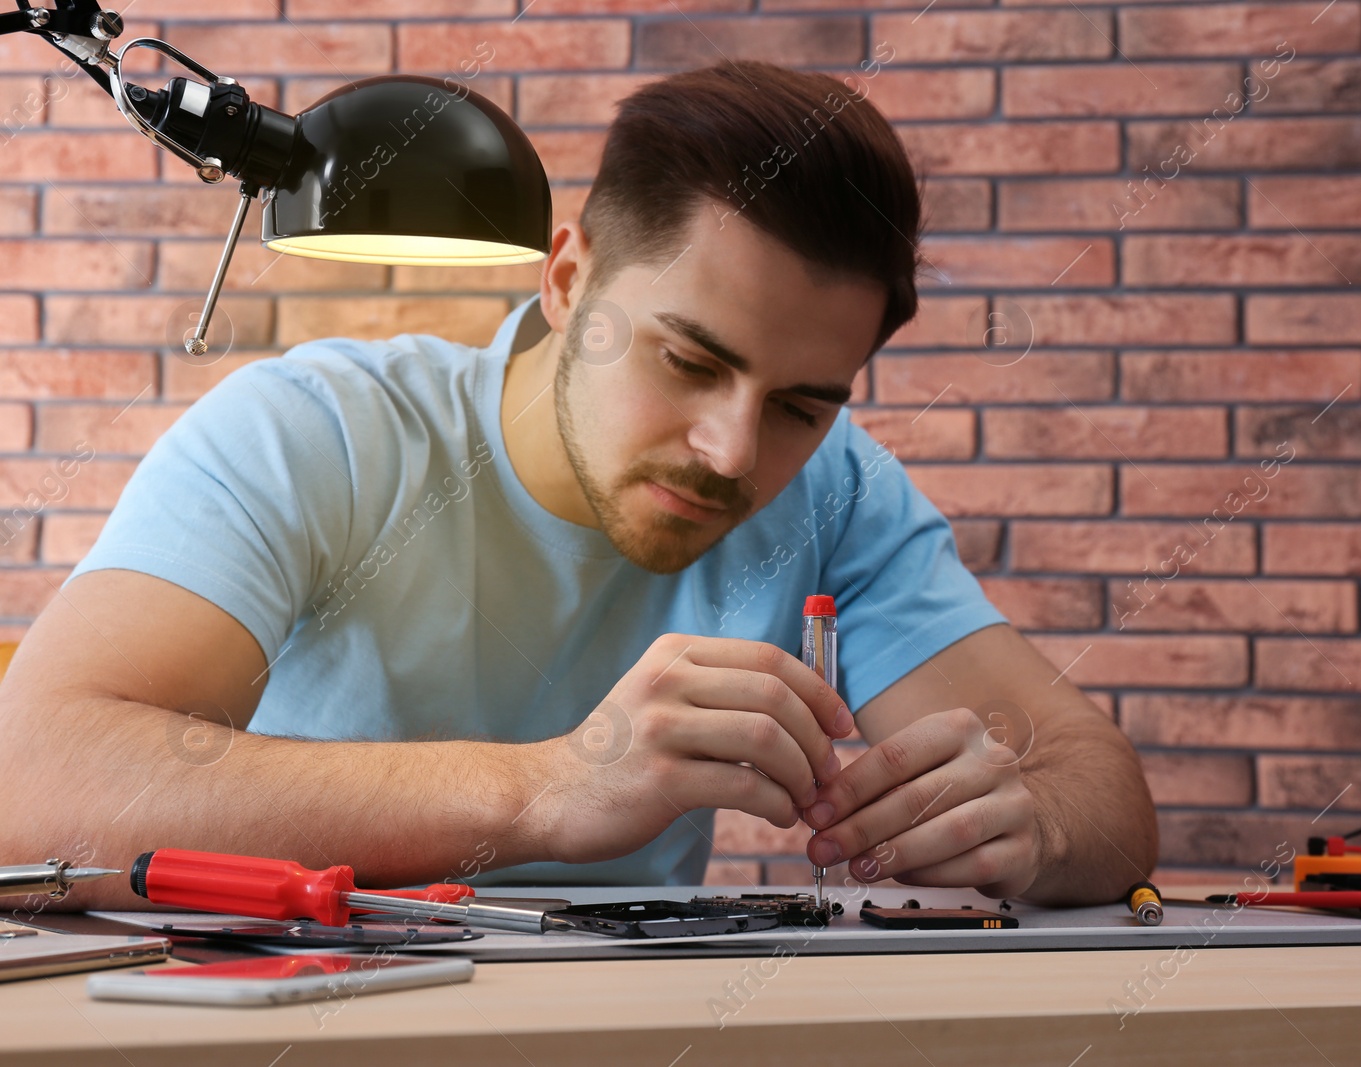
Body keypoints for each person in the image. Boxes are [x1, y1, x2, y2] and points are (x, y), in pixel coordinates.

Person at [0, 60, 1155, 910]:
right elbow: (32, 780)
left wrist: (1035, 824)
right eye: (689, 361)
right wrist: (546, 789)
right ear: (568, 280)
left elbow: (1097, 786)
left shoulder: (840, 490)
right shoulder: (312, 434)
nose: (730, 452)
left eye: (802, 403)